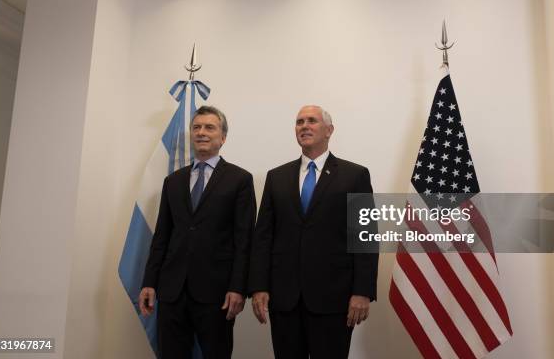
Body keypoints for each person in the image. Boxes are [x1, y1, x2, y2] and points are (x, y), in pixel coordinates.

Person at [249, 105, 378, 359]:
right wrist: (258, 286)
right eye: (299, 122)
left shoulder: (355, 175)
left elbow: (365, 236)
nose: (304, 126)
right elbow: (263, 236)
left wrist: (362, 291)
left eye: (312, 121)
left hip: (334, 300)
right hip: (285, 299)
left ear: (329, 130)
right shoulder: (276, 177)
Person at [139, 106, 256, 359]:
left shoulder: (240, 180)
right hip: (172, 292)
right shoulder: (173, 181)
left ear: (223, 137)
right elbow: (162, 236)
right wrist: (149, 281)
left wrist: (238, 287)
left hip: (217, 294)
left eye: (209, 127)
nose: (201, 132)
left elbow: (244, 240)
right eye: (196, 127)